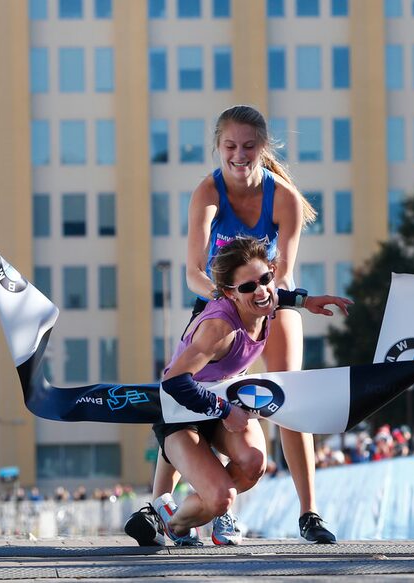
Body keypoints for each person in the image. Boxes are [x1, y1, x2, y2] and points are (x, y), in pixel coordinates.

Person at [126, 105, 338, 545]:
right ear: (218, 148)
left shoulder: (284, 198)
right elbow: (192, 272)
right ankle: (158, 504)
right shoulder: (208, 191)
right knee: (182, 396)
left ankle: (309, 513)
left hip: (269, 301)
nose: (239, 155)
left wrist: (258, 303)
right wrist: (227, 300)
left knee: (288, 399)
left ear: (263, 148)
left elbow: (280, 275)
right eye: (230, 146)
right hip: (219, 303)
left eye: (248, 146)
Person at [125, 237, 350, 546]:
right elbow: (173, 382)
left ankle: (173, 521)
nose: (260, 291)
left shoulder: (264, 302)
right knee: (220, 497)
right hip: (180, 414)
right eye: (247, 287)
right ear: (229, 294)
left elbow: (271, 295)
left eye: (266, 279)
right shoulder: (219, 329)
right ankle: (206, 508)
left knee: (254, 463)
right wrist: (224, 410)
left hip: (222, 402)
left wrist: (305, 301)